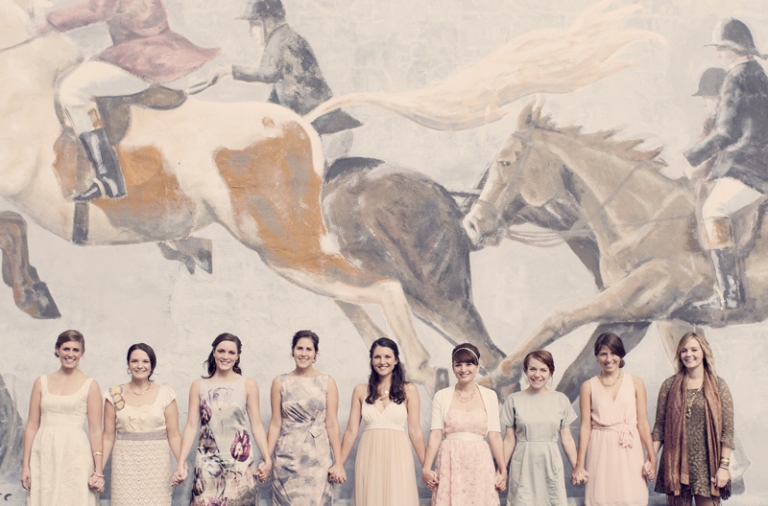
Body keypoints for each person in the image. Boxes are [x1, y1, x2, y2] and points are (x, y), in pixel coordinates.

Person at [32, 0, 220, 200]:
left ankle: (108, 176)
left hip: (141, 58)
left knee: (71, 90)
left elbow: (97, 8)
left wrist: (49, 21)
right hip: (163, 49)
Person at [677, 18, 768, 310]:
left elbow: (726, 133)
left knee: (712, 210)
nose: (718, 54)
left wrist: (689, 158)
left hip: (747, 168)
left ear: (734, 48)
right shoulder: (759, 73)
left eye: (721, 48)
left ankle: (728, 295)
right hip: (761, 163)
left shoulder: (734, 77)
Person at [228, 0, 361, 165]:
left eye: (254, 24)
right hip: (323, 133)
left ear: (268, 22)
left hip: (326, 134)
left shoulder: (281, 39)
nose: (250, 32)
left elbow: (267, 74)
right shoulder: (284, 39)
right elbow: (276, 99)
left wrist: (229, 70)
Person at [172, 333, 271, 505]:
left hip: (239, 464)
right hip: (207, 464)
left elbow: (256, 425)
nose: (226, 356)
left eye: (231, 352)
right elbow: (191, 427)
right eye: (221, 351)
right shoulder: (198, 385)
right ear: (214, 353)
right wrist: (180, 463)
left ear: (237, 356)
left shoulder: (248, 384)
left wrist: (267, 458)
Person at [337, 337, 425, 506]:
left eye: (387, 357)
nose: (382, 361)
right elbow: (351, 431)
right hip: (369, 456)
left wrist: (426, 466)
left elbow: (415, 431)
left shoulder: (409, 390)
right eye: (377, 357)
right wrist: (339, 464)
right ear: (371, 360)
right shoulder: (360, 390)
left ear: (396, 360)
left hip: (398, 456)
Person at [20, 330, 104, 506]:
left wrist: (98, 471)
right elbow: (32, 426)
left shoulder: (91, 385)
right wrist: (25, 465)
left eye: (75, 350)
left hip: (75, 453)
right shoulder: (41, 382)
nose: (70, 354)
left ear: (82, 353)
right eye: (66, 349)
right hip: (43, 453)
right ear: (57, 349)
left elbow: (96, 431)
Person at [571, 333, 656, 506]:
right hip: (601, 449)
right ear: (597, 356)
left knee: (632, 496)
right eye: (603, 354)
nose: (609, 359)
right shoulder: (588, 386)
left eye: (613, 353)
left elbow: (643, 423)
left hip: (630, 448)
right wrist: (579, 465)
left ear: (621, 354)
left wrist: (652, 457)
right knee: (602, 498)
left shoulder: (636, 383)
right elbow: (585, 428)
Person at [652, 332, 734, 506]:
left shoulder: (718, 386)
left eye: (694, 349)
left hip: (707, 466)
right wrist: (651, 459)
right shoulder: (669, 385)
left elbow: (727, 431)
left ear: (704, 352)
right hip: (676, 465)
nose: (688, 354)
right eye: (684, 350)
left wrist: (724, 467)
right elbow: (659, 428)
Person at [422, 343, 505, 505]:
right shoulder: (442, 396)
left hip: (480, 460)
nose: (463, 369)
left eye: (469, 364)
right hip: (450, 460)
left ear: (478, 367)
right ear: (453, 367)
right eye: (458, 365)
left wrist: (502, 469)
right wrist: (426, 468)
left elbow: (495, 435)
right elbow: (436, 435)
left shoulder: (490, 396)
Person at [267, 330, 342, 505]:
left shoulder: (327, 382)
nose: (303, 353)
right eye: (299, 348)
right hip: (286, 458)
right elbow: (275, 423)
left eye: (309, 349)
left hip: (318, 459)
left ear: (315, 353)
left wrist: (338, 462)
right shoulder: (280, 382)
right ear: (293, 351)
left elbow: (332, 424)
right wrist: (267, 458)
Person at [102, 343, 182, 506]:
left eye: (145, 361)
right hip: (124, 464)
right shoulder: (114, 395)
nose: (140, 365)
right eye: (134, 361)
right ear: (128, 364)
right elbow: (108, 437)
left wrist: (182, 464)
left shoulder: (165, 394)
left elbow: (174, 435)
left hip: (157, 464)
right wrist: (98, 470)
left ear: (152, 365)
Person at [501, 349, 578, 505]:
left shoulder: (560, 400)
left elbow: (567, 439)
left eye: (543, 370)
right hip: (523, 462)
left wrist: (578, 467)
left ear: (550, 373)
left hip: (550, 461)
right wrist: (501, 470)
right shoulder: (513, 400)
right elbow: (509, 440)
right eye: (532, 369)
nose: (537, 374)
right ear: (525, 371)